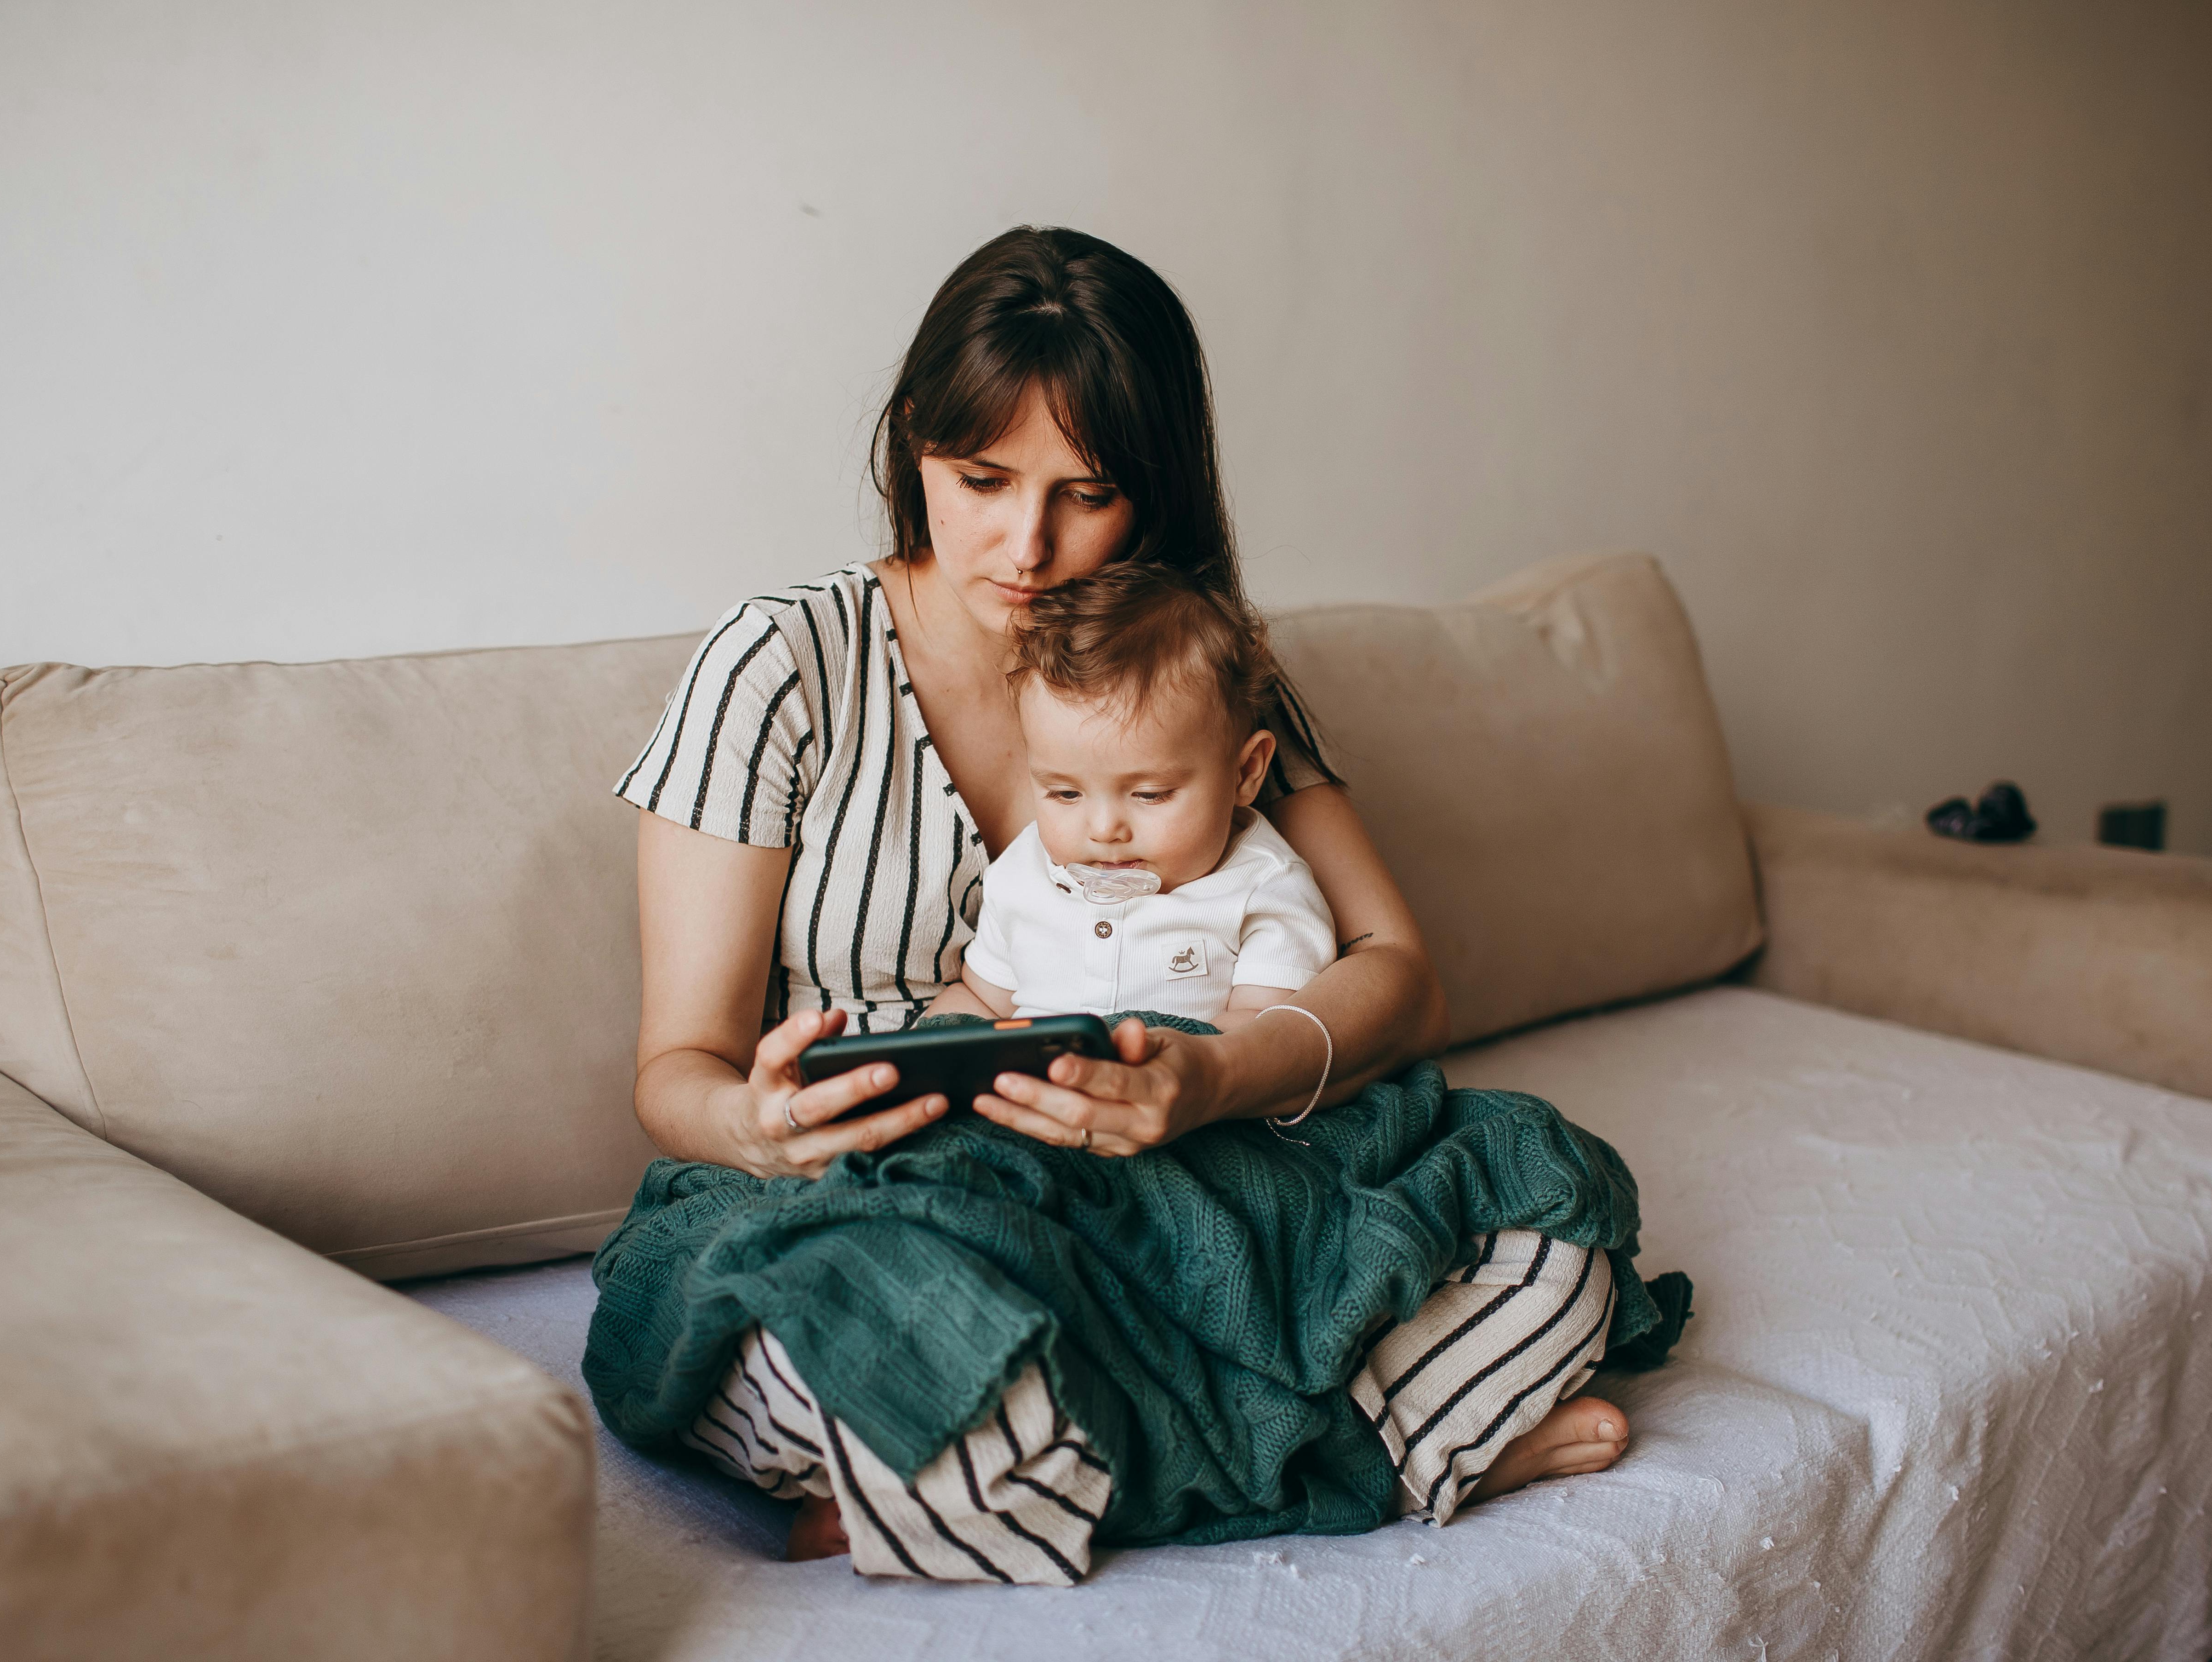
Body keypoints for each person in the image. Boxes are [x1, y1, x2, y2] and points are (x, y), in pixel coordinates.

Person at [611, 226, 1630, 1575]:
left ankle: (980, 1494)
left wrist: (1211, 1080)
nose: (1026, 544)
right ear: (914, 442)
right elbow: (675, 1068)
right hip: (876, 1197)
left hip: (1180, 1184)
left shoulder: (1190, 668)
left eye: (1085, 495)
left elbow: (1400, 970)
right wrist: (759, 1119)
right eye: (979, 479)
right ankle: (1389, 1454)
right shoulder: (782, 669)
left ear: (1151, 492)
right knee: (865, 1334)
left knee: (1555, 1242)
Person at [929, 560, 1337, 1032]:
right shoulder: (1024, 876)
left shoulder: (1264, 890)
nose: (1104, 830)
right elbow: (983, 997)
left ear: (1245, 772)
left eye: (1150, 795)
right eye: (1065, 793)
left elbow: (1262, 1036)